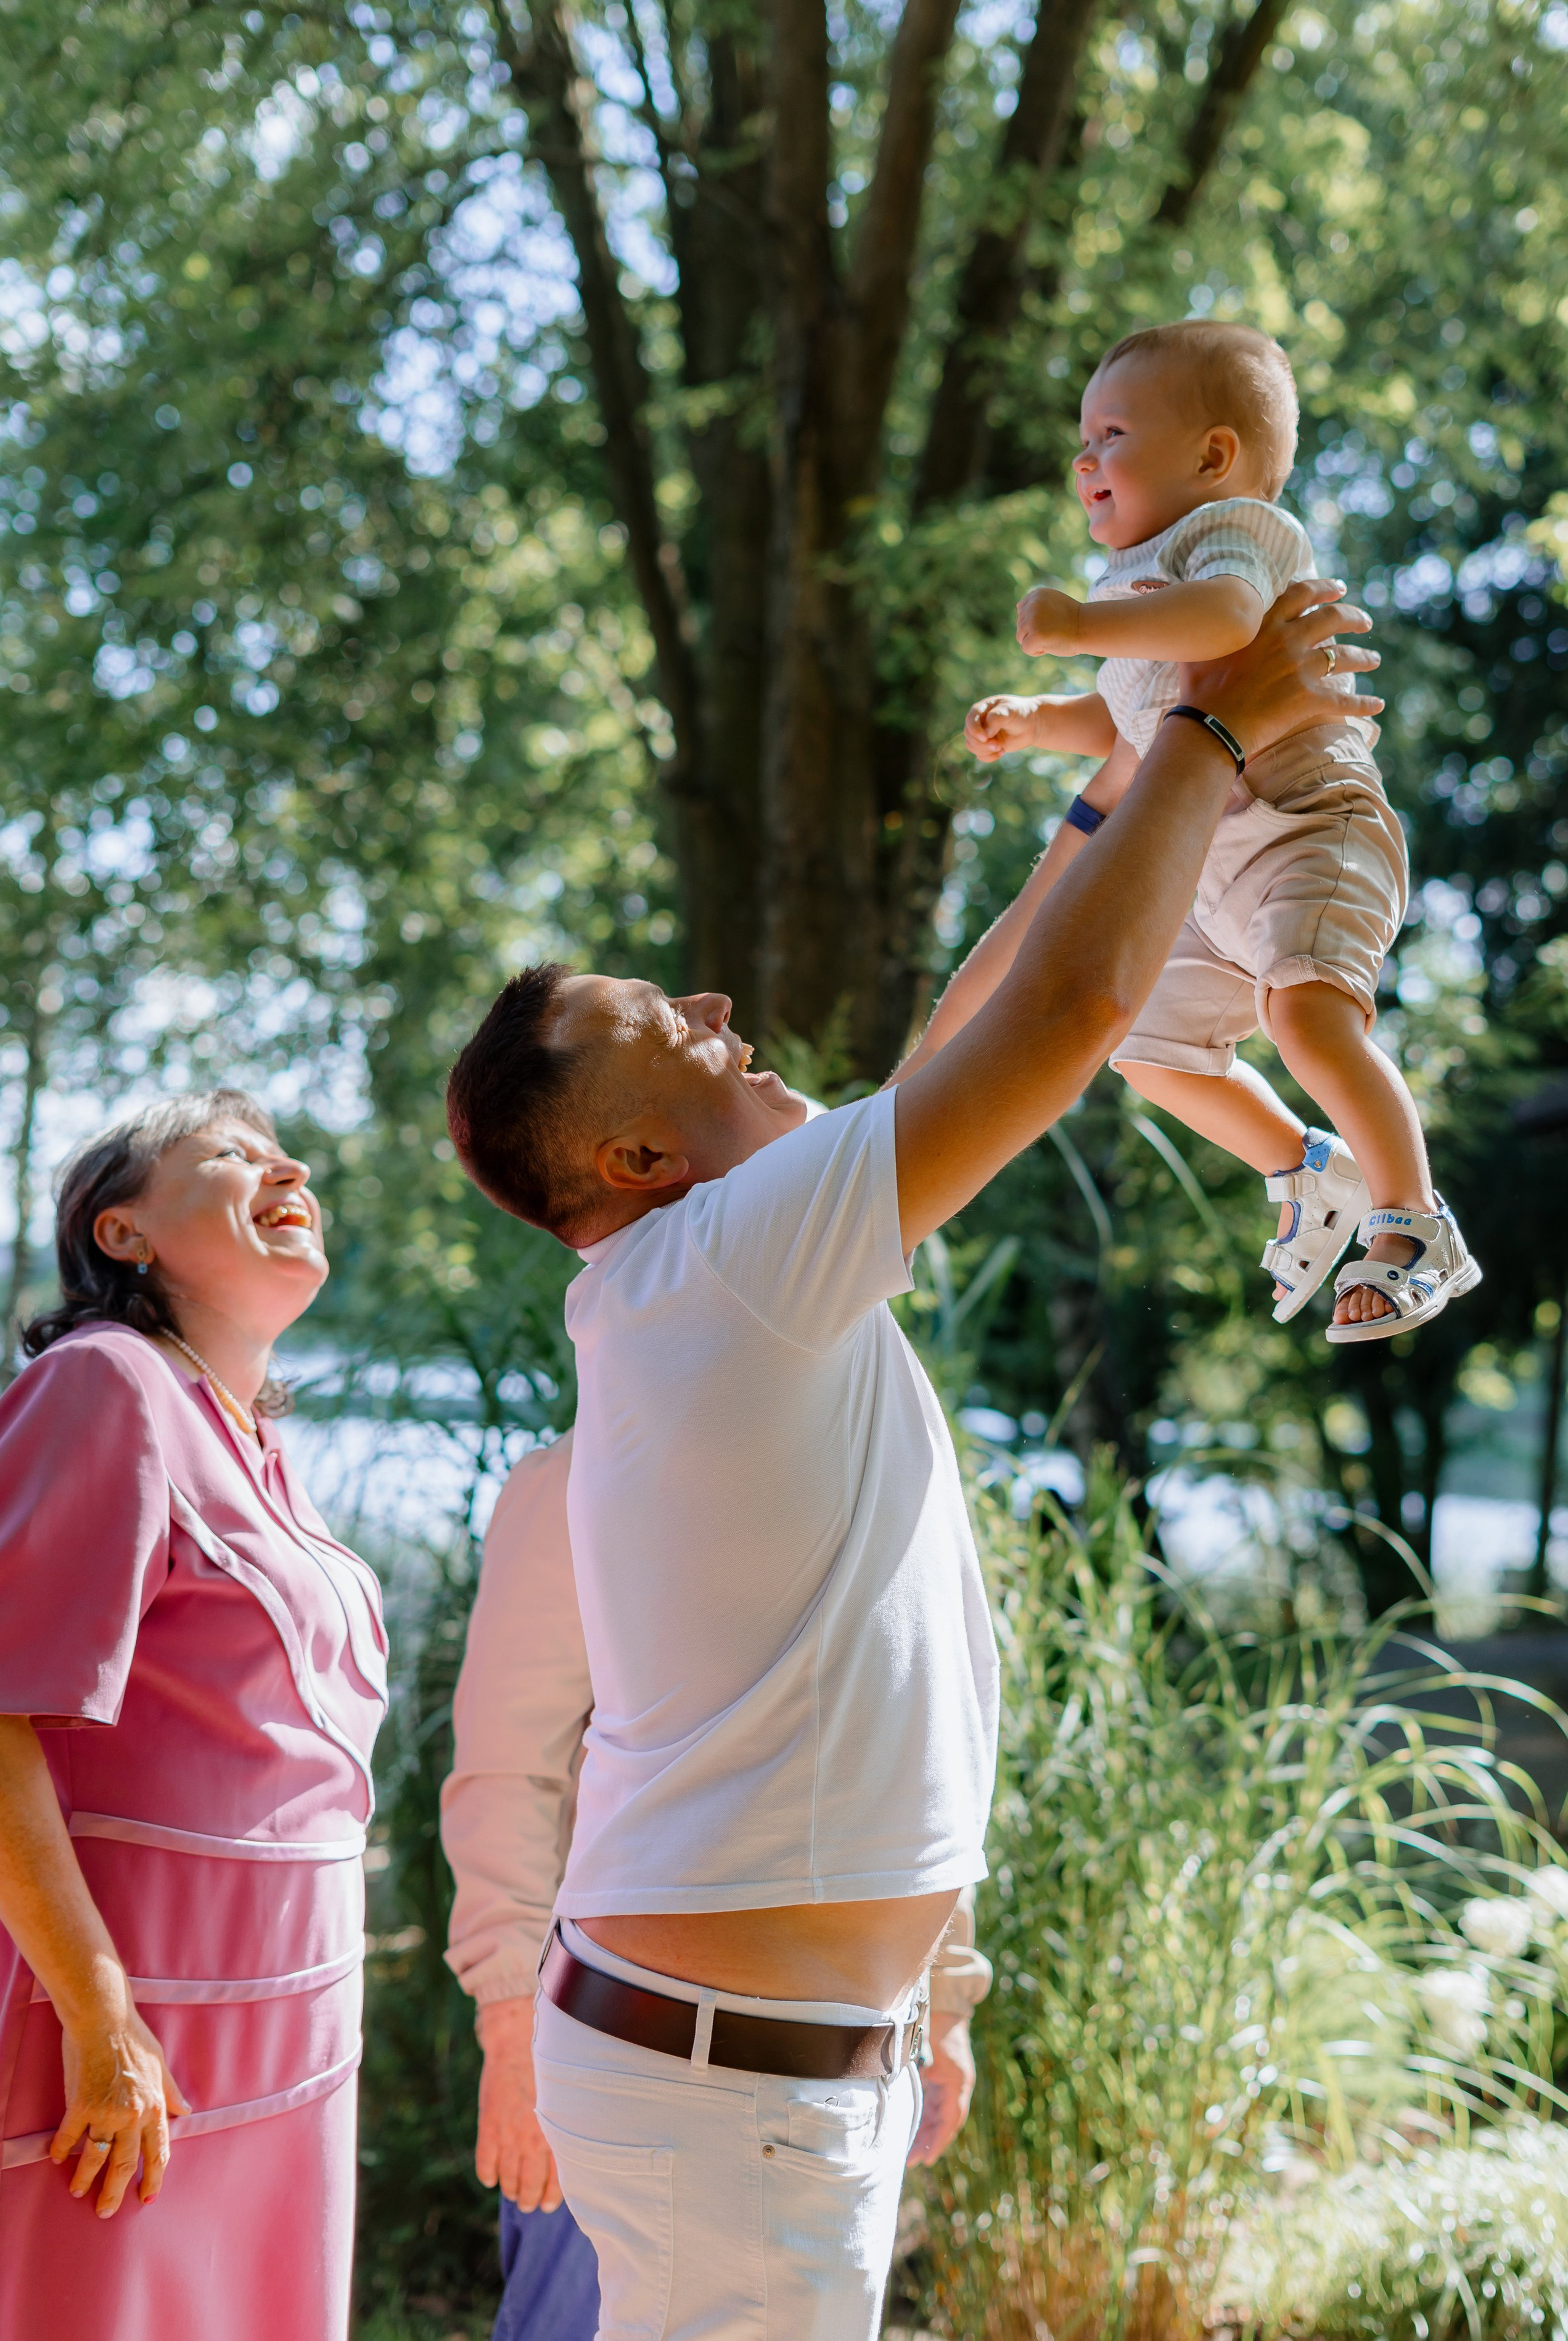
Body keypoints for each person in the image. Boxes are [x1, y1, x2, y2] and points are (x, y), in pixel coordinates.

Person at [438, 580, 1381, 2340]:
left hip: (757, 2078)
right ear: (637, 1157)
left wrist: (1114, 781)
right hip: (736, 2094)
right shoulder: (721, 1266)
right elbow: (1069, 1015)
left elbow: (967, 1030)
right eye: (665, 1018)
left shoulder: (704, 1271)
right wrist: (1213, 727)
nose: (715, 998)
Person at [964, 320, 1477, 1344]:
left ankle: (1416, 1221)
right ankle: (1305, 1164)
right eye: (1083, 440)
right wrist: (1039, 719)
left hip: (1310, 830)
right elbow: (1134, 716)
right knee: (1149, 1051)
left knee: (1310, 1022)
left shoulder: (1234, 533)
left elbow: (1230, 622)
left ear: (1212, 457)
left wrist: (1080, 627)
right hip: (1215, 873)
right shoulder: (1141, 586)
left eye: (1112, 435)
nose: (1084, 460)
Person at [440, 1431, 992, 2339]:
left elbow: (928, 1766)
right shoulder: (581, 1476)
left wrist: (950, 2004)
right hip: (623, 2052)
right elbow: (509, 1773)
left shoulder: (880, 1467)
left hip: (836, 2085)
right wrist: (509, 2028)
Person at [0, 1090, 387, 2341]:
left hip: (290, 2046)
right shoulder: (103, 1382)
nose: (290, 1167)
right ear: (124, 1234)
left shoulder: (258, 1446)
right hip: (130, 2052)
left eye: (286, 1153)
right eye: (230, 1155)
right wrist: (101, 2020)